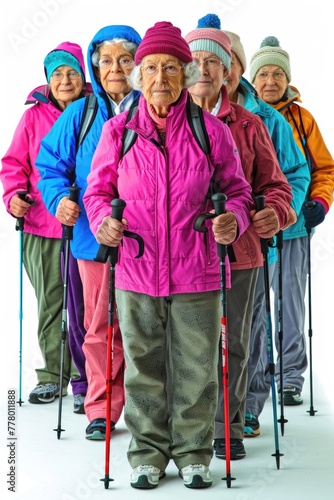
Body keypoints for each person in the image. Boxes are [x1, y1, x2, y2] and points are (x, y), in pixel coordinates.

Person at [83, 20, 253, 489]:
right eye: (152, 67)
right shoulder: (119, 132)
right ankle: (148, 454)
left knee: (197, 365)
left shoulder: (211, 132)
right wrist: (103, 221)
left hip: (196, 268)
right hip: (136, 269)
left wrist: (233, 219)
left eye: (171, 68)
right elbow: (98, 192)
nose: (160, 77)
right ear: (140, 75)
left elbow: (237, 191)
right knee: (143, 365)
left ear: (186, 72)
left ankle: (194, 452)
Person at [184, 14, 296, 460]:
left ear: (229, 69)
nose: (205, 69)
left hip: (242, 254)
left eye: (216, 60)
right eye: (195, 60)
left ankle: (226, 426)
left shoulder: (249, 123)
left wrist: (275, 211)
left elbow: (277, 185)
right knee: (189, 345)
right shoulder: (166, 121)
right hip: (184, 256)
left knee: (235, 343)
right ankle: (187, 427)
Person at [36, 25, 142, 439]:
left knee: (145, 328)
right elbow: (50, 166)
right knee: (99, 327)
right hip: (91, 239)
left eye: (125, 59)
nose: (115, 68)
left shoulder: (154, 106)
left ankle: (142, 406)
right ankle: (101, 406)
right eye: (106, 60)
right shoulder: (79, 114)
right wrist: (58, 197)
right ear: (94, 66)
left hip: (146, 243)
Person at [220, 27, 311, 436]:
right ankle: (209, 408)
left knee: (251, 326)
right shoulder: (186, 112)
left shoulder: (268, 120)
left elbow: (295, 174)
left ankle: (251, 404)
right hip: (201, 247)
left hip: (258, 241)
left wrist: (282, 210)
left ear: (236, 68)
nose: (216, 70)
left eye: (227, 62)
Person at [0, 42, 91, 411]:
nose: (65, 80)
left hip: (88, 224)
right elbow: (13, 165)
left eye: (72, 72)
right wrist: (14, 197)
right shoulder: (34, 117)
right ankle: (53, 375)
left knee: (89, 305)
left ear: (83, 76)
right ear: (47, 81)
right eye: (57, 74)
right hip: (41, 224)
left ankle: (90, 377)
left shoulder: (94, 110)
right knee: (53, 303)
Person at [246, 36, 334, 416]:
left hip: (294, 228)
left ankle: (291, 376)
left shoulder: (302, 118)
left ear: (288, 79)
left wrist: (318, 202)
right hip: (253, 227)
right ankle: (258, 373)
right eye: (263, 73)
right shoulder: (243, 116)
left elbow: (323, 169)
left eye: (277, 74)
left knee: (290, 301)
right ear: (252, 78)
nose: (270, 80)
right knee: (254, 304)